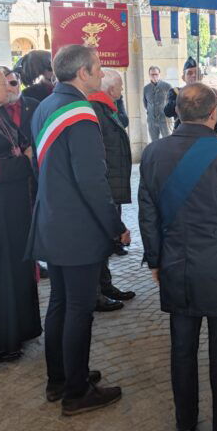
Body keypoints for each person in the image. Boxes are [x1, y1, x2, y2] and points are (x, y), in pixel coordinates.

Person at [138, 83, 217, 431]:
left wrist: (156, 261)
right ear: (213, 114)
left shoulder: (153, 153)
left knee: (181, 349)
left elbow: (147, 213)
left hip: (175, 264)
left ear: (176, 112)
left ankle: (185, 427)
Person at [27, 44, 129, 415]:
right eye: (99, 68)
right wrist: (115, 226)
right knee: (79, 310)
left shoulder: (44, 107)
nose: (102, 74)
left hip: (52, 220)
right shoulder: (80, 113)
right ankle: (76, 391)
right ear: (82, 73)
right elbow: (92, 180)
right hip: (77, 228)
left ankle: (62, 377)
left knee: (59, 304)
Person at [0, 64, 41, 361]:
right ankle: (2, 340)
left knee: (17, 265)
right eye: (0, 80)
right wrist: (23, 160)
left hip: (13, 206)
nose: (7, 85)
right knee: (1, 271)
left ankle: (20, 329)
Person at [88, 68, 136, 309]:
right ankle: (97, 293)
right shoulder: (96, 109)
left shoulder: (106, 106)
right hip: (104, 184)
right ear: (109, 90)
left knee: (106, 239)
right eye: (120, 88)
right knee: (99, 239)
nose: (122, 91)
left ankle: (105, 285)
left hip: (111, 184)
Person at [164, 56, 217, 133]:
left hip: (204, 134)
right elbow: (168, 112)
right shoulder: (176, 92)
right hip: (182, 135)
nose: (193, 76)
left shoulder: (211, 93)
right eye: (189, 73)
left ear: (201, 76)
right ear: (183, 77)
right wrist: (184, 97)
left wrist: (212, 132)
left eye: (196, 73)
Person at [3, 67, 39, 146]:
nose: (8, 88)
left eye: (13, 83)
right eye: (4, 84)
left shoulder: (35, 105)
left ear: (20, 84)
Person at [143, 65, 172, 141]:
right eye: (152, 74)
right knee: (154, 142)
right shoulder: (146, 88)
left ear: (159, 74)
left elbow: (171, 103)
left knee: (167, 141)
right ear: (149, 75)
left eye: (156, 74)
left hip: (164, 119)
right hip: (152, 120)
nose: (154, 76)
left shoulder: (167, 86)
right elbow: (145, 104)